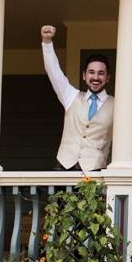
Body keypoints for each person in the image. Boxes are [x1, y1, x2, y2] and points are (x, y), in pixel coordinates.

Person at [38, 25, 113, 176]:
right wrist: (47, 42)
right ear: (84, 75)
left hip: (94, 171)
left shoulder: (117, 105)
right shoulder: (71, 96)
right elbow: (54, 72)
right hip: (63, 168)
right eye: (91, 72)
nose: (96, 77)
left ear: (107, 77)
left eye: (101, 73)